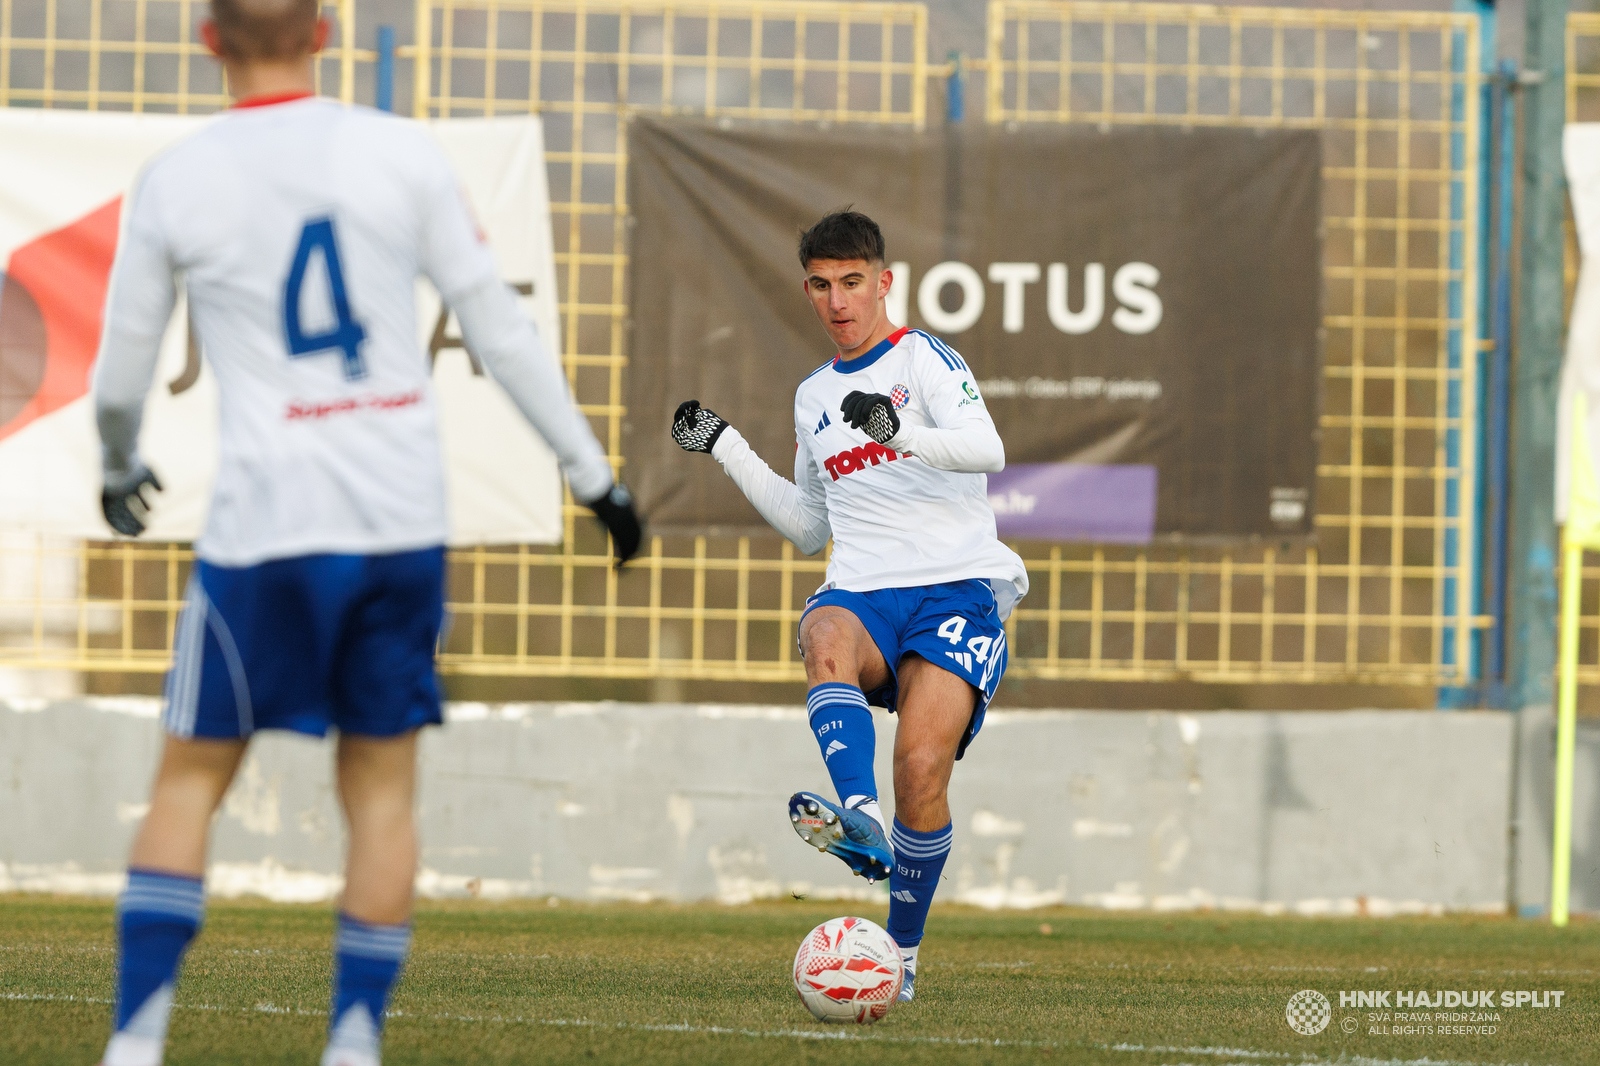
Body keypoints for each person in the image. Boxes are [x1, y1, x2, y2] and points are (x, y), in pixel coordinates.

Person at [91, 2, 641, 1064]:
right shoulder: (404, 155)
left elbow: (121, 374)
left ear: (207, 39)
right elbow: (497, 326)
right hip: (395, 526)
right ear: (327, 32)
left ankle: (135, 1043)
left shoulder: (178, 176)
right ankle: (351, 1045)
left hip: (262, 529)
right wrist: (593, 476)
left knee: (190, 779)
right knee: (381, 788)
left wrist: (119, 467)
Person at [670, 210, 1027, 1002]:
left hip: (956, 587)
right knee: (822, 630)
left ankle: (898, 959)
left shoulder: (924, 359)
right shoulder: (813, 399)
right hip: (862, 586)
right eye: (824, 286)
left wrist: (901, 433)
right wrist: (727, 446)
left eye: (854, 283)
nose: (840, 302)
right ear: (809, 291)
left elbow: (987, 449)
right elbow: (808, 528)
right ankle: (858, 818)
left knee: (922, 769)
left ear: (884, 283)